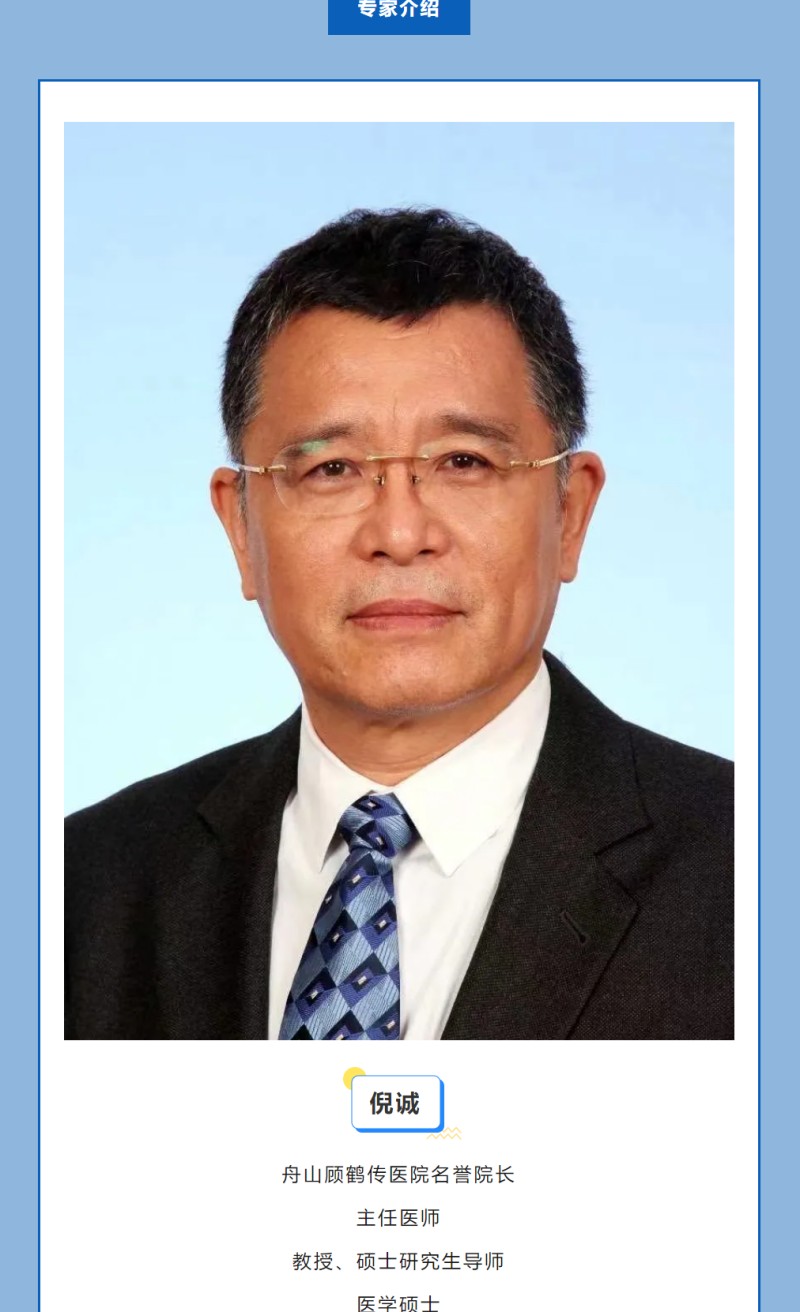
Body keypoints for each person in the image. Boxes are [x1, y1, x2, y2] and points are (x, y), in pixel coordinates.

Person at [65, 207, 733, 1040]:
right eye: (332, 469)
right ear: (240, 527)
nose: (400, 532)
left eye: (464, 462)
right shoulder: (79, 886)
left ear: (570, 512)